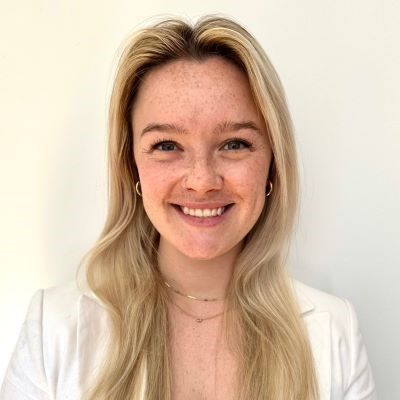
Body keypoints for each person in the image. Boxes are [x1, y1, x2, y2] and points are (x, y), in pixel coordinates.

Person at [0, 16, 377, 400]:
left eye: (234, 144)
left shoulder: (333, 333)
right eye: (167, 146)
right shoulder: (54, 328)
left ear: (272, 165)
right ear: (132, 166)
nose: (201, 180)